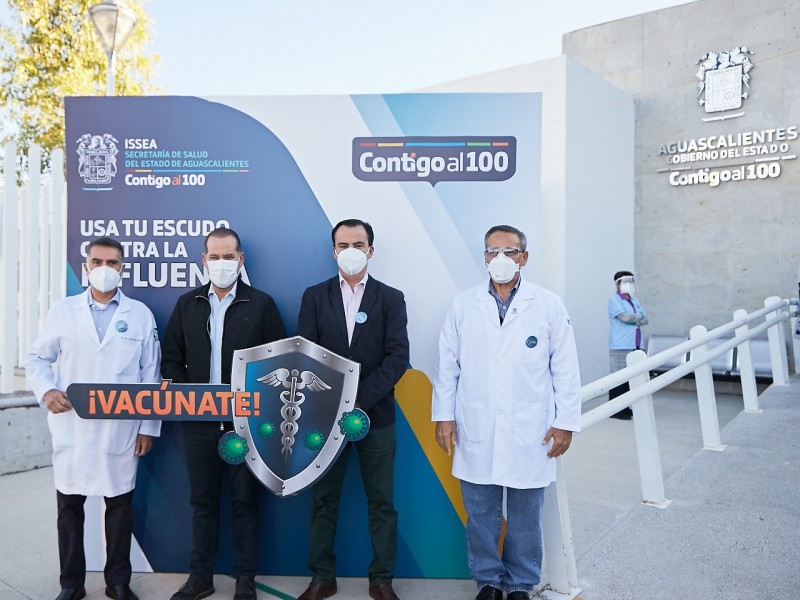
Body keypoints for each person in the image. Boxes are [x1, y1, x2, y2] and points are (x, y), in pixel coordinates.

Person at [432, 225, 582, 600]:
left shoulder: (547, 305)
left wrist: (565, 422)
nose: (500, 259)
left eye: (509, 252)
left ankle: (519, 583)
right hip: (476, 424)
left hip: (532, 428)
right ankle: (487, 581)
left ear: (524, 258)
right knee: (480, 513)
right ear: (484, 258)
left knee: (525, 515)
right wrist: (444, 415)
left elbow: (566, 368)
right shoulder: (464, 305)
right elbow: (447, 366)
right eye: (492, 251)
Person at [25, 237, 161, 600]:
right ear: (86, 267)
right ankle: (71, 584)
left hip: (121, 429)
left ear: (122, 268)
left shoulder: (139, 315)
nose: (104, 269)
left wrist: (148, 427)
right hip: (73, 427)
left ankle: (118, 582)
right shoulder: (63, 311)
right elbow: (36, 359)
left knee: (120, 508)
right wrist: (46, 391)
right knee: (69, 509)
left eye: (112, 262)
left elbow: (151, 374)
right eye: (97, 262)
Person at [161, 227, 286, 600]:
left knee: (245, 501)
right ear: (204, 260)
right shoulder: (188, 304)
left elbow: (278, 360)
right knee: (202, 503)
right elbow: (171, 359)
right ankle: (200, 577)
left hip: (245, 425)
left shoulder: (261, 305)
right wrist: (190, 397)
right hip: (199, 423)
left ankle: (245, 578)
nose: (221, 263)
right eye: (214, 256)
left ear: (240, 259)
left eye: (228, 256)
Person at [295, 219, 410, 600]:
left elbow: (398, 357)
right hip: (325, 418)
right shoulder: (315, 296)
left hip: (377, 416)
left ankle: (381, 580)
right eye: (343, 244)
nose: (350, 251)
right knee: (323, 499)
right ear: (333, 251)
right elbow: (306, 354)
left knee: (382, 503)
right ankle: (321, 578)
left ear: (370, 250)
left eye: (358, 244)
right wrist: (338, 401)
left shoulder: (390, 298)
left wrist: (360, 400)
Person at [607, 271, 648, 420]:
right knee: (619, 378)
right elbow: (624, 317)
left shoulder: (634, 300)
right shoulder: (614, 300)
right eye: (625, 281)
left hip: (635, 343)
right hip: (621, 344)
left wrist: (635, 317)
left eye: (631, 281)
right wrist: (638, 317)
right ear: (617, 284)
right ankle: (615, 410)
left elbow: (646, 319)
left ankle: (625, 407)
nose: (629, 284)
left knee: (630, 378)